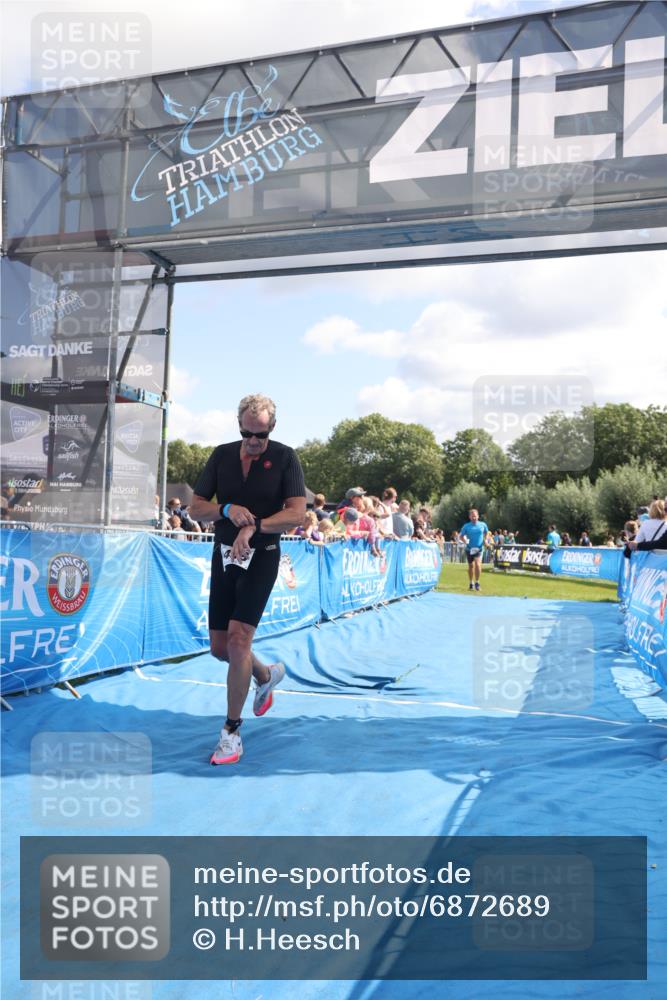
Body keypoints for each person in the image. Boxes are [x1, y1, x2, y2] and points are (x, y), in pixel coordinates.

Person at [190, 394, 306, 766]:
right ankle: (265, 674)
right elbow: (196, 508)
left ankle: (231, 733)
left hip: (263, 556)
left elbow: (296, 515)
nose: (253, 442)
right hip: (223, 556)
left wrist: (254, 526)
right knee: (221, 648)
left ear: (272, 427)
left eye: (260, 434)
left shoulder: (286, 457)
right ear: (238, 425)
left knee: (240, 640)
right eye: (246, 433)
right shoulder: (222, 454)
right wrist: (225, 508)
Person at [459, 508, 489, 591]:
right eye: (472, 516)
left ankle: (477, 582)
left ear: (478, 516)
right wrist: (465, 541)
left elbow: (486, 533)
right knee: (471, 566)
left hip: (479, 548)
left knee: (478, 564)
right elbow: (461, 536)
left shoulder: (483, 525)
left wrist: (486, 540)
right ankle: (471, 582)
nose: (474, 518)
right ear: (469, 517)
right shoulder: (466, 526)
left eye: (475, 516)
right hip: (469, 549)